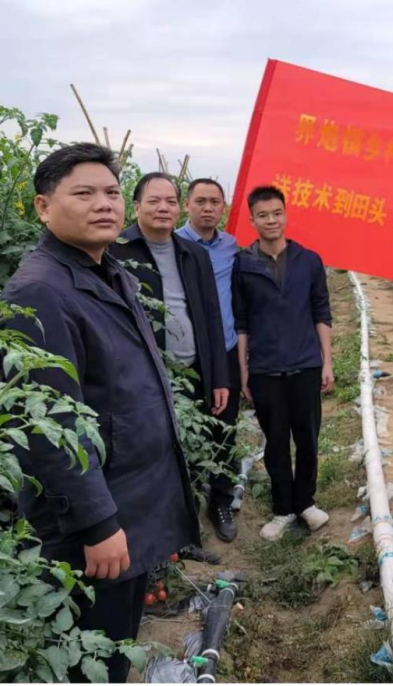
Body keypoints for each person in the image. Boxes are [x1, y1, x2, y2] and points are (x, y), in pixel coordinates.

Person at [0, 144, 198, 683]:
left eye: (111, 192)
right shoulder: (40, 291)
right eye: (83, 194)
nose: (104, 204)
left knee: (116, 643)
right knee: (94, 656)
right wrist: (97, 523)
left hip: (130, 501)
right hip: (98, 518)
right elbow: (46, 424)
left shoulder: (108, 271)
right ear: (44, 207)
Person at [109, 173, 232, 538]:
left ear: (179, 208)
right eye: (154, 201)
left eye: (170, 202)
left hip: (193, 371)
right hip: (145, 377)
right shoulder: (117, 251)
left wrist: (219, 378)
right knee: (153, 456)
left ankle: (190, 526)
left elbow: (210, 314)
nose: (163, 208)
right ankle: (156, 533)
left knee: (194, 449)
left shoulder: (191, 252)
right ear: (136, 207)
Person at [232, 185, 334, 541]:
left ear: (286, 214)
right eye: (263, 215)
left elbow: (321, 311)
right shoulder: (243, 264)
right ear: (252, 220)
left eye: (276, 213)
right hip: (265, 369)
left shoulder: (308, 261)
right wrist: (244, 369)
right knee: (275, 441)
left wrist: (326, 362)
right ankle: (283, 509)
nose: (271, 220)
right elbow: (241, 320)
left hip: (305, 364)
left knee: (307, 438)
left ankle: (306, 501)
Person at [175, 178, 243, 543]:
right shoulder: (172, 244)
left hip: (226, 350)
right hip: (183, 356)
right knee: (180, 429)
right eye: (200, 201)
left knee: (224, 430)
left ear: (223, 207)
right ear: (187, 205)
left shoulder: (231, 247)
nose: (207, 208)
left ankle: (220, 502)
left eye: (214, 202)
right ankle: (181, 508)